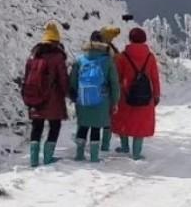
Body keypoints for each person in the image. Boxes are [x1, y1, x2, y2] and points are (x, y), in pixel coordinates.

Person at [21, 22, 69, 167]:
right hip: (53, 99)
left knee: (37, 126)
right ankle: (48, 157)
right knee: (55, 125)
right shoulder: (58, 57)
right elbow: (63, 79)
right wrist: (69, 93)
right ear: (56, 40)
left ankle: (34, 159)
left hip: (35, 97)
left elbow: (26, 76)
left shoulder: (33, 56)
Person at [69, 30, 120, 162]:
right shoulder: (108, 60)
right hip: (102, 100)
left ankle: (79, 154)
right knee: (96, 127)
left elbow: (73, 81)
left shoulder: (80, 60)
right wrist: (115, 101)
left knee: (83, 126)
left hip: (83, 98)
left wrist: (74, 96)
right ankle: (94, 156)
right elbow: (114, 83)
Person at [112, 27, 162, 160]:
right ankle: (136, 152)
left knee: (124, 120)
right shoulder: (150, 57)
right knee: (140, 124)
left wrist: (115, 93)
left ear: (130, 39)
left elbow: (116, 77)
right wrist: (156, 94)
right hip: (145, 96)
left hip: (126, 95)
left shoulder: (122, 57)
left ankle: (124, 146)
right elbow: (155, 78)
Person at [98, 26, 123, 152]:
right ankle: (105, 144)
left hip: (96, 86)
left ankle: (93, 144)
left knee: (95, 116)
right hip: (108, 86)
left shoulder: (95, 48)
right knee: (108, 117)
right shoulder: (109, 50)